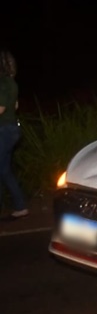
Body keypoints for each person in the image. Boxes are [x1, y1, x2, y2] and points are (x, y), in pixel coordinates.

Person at [0, 49, 29, 219]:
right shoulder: (12, 83)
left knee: (3, 170)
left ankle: (20, 205)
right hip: (11, 130)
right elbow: (15, 106)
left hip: (3, 130)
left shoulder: (3, 82)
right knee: (4, 170)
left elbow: (1, 108)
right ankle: (20, 206)